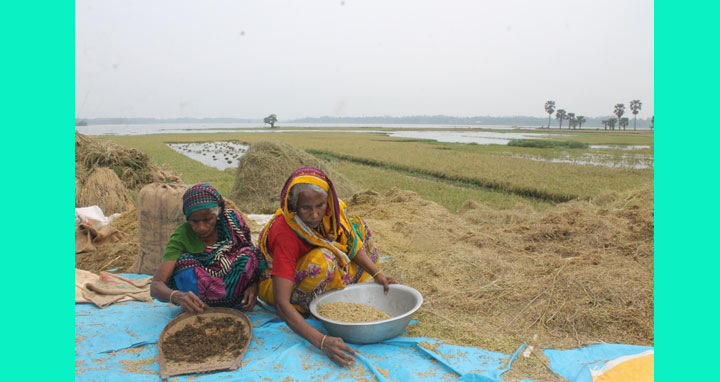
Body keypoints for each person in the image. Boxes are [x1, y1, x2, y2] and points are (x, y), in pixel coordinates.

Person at [257, 167, 397, 367]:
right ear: (294, 206)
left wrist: (378, 273)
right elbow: (281, 303)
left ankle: (327, 281)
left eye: (320, 205)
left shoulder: (332, 212)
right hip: (276, 281)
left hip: (305, 264)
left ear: (327, 201)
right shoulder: (285, 233)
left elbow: (350, 243)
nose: (314, 215)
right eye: (306, 208)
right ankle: (303, 305)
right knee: (323, 262)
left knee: (359, 228)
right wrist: (321, 341)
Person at [150, 183, 266, 313]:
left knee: (248, 255)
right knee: (183, 263)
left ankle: (235, 302)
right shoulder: (181, 235)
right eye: (194, 221)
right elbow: (156, 285)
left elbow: (253, 258)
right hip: (199, 303)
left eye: (208, 220)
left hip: (238, 296)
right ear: (187, 218)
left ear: (218, 213)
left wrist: (253, 284)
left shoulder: (232, 222)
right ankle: (204, 307)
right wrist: (177, 297)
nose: (201, 228)